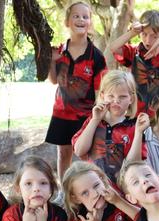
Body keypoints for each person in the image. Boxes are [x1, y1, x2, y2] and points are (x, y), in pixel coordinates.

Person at [47, 1, 107, 181]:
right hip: (61, 112)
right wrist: (51, 60)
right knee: (63, 153)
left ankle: (90, 187)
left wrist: (98, 117)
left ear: (90, 23)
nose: (81, 19)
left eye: (85, 17)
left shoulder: (96, 56)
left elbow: (100, 91)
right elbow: (53, 80)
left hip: (85, 116)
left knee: (87, 154)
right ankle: (64, 189)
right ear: (67, 22)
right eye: (76, 16)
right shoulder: (59, 51)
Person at [72, 70, 149, 187]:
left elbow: (133, 165)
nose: (116, 100)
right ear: (102, 96)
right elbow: (79, 150)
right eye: (111, 96)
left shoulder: (134, 127)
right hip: (93, 186)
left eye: (122, 96)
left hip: (121, 190)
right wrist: (95, 120)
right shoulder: (93, 121)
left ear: (131, 99)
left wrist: (138, 132)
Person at [108, 10, 159, 117]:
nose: (148, 40)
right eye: (144, 34)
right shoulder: (134, 52)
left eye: (154, 36)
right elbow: (113, 47)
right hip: (136, 113)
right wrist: (132, 32)